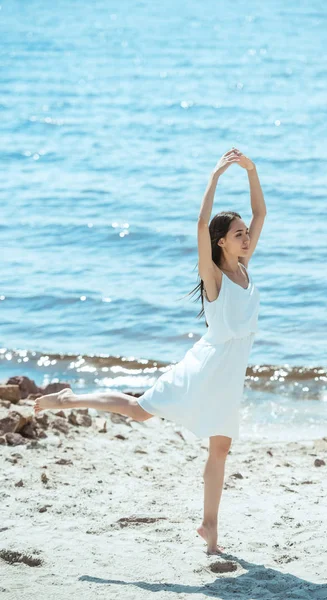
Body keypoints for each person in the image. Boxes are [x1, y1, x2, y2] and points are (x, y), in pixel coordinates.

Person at [34, 147, 267, 555]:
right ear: (220, 243)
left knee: (221, 447)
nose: (247, 236)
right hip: (205, 369)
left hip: (232, 376)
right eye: (238, 233)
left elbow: (261, 213)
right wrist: (214, 178)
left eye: (246, 232)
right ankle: (69, 399)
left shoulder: (244, 267)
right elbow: (199, 224)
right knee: (140, 410)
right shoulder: (214, 277)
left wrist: (251, 170)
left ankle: (209, 527)